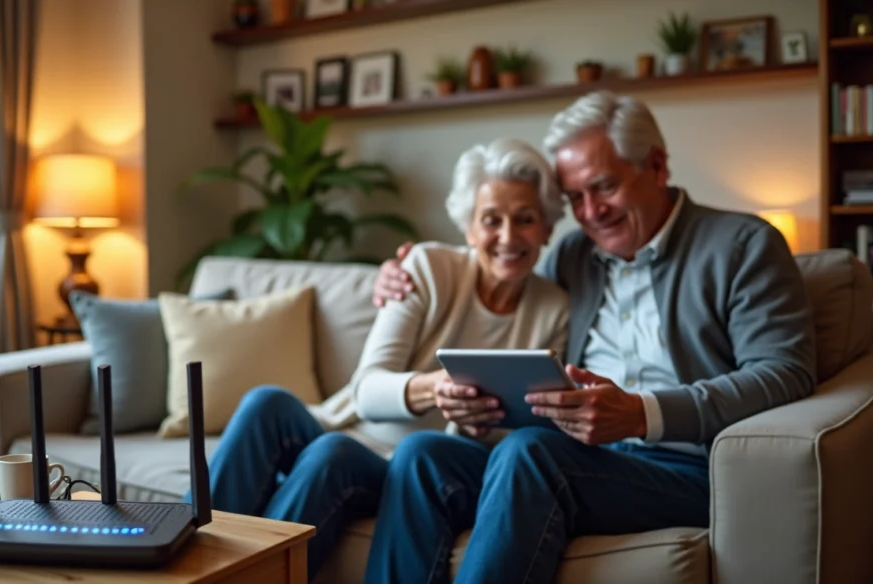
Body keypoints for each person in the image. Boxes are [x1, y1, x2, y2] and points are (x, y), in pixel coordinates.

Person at [364, 90, 817, 584]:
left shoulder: (742, 245)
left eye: (604, 187)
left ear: (658, 166)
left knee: (530, 452)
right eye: (575, 198)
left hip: (683, 469)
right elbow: (495, 255)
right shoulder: (575, 255)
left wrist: (643, 414)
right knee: (422, 456)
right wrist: (401, 268)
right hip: (582, 456)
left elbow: (785, 372)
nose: (591, 211)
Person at [189, 138, 571, 580]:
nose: (508, 236)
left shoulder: (555, 308)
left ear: (546, 228)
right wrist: (434, 388)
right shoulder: (427, 267)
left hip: (402, 465)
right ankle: (177, 553)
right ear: (468, 228)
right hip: (343, 424)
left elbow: (531, 427)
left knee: (333, 454)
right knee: (266, 402)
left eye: (525, 219)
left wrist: (473, 420)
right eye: (491, 220)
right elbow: (366, 389)